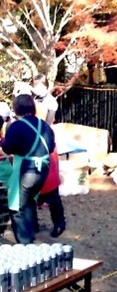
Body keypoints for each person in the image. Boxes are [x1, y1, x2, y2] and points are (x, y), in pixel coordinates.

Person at [0, 94, 55, 243]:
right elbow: (51, 147)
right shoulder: (44, 125)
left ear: (16, 109)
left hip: (26, 170)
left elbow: (7, 148)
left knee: (17, 207)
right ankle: (31, 236)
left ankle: (25, 243)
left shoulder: (17, 126)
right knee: (29, 202)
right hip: (43, 170)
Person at [30, 74, 66, 238]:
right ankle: (33, 224)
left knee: (51, 188)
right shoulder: (31, 99)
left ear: (45, 85)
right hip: (31, 144)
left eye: (39, 85)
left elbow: (47, 124)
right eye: (35, 85)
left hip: (46, 143)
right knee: (30, 188)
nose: (37, 88)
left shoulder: (51, 102)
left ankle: (59, 223)